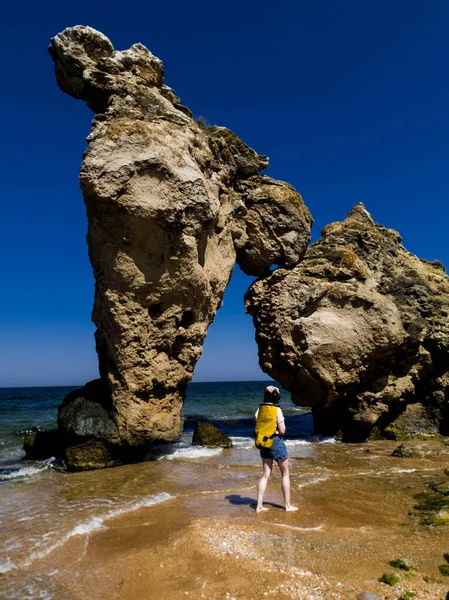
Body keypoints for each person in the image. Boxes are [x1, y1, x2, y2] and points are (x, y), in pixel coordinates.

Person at [255, 385, 298, 513]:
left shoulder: (259, 410)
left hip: (264, 443)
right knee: (285, 474)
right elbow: (282, 430)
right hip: (276, 442)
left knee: (265, 475)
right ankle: (287, 505)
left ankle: (259, 506)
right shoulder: (277, 410)